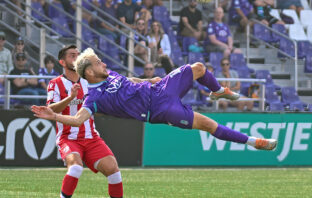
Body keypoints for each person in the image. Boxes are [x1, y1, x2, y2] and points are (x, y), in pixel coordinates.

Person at [32, 48, 278, 152]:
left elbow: (128, 79)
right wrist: (53, 115)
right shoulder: (94, 97)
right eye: (98, 62)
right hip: (160, 110)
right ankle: (254, 142)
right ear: (89, 72)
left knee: (199, 68)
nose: (103, 63)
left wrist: (146, 81)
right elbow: (77, 120)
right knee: (209, 125)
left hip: (160, 89)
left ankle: (217, 91)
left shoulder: (110, 73)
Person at [43, 45, 123, 198]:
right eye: (72, 55)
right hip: (68, 138)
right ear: (62, 62)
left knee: (114, 172)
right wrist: (70, 98)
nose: (76, 58)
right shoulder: (56, 83)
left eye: (78, 55)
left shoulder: (89, 80)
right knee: (75, 168)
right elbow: (51, 110)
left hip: (91, 137)